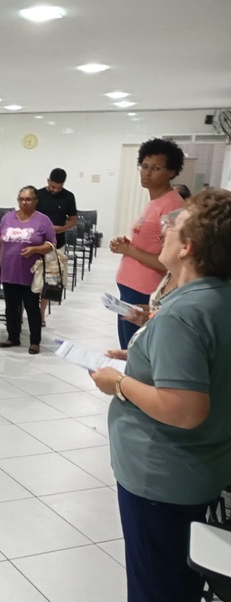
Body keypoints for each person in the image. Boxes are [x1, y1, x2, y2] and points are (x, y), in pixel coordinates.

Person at [91, 189, 231, 602]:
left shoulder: (184, 314)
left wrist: (118, 383)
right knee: (176, 578)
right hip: (200, 467)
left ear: (188, 247)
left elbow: (184, 409)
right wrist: (142, 354)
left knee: (157, 586)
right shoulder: (217, 296)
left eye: (174, 226)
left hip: (163, 477)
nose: (163, 231)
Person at [110, 138, 184, 349]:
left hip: (145, 288)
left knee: (135, 350)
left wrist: (129, 250)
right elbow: (152, 242)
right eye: (144, 166)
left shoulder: (172, 205)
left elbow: (168, 261)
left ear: (171, 172)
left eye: (156, 168)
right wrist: (127, 245)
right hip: (131, 284)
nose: (147, 173)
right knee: (127, 347)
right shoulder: (155, 201)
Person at [0, 186, 56, 354]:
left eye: (28, 199)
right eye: (21, 199)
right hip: (9, 270)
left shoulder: (43, 220)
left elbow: (51, 244)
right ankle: (13, 336)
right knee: (11, 306)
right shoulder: (8, 218)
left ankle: (35, 341)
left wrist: (35, 249)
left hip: (30, 272)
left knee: (31, 306)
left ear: (35, 201)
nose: (24, 202)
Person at [35, 168, 78, 324]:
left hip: (56, 245)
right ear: (48, 181)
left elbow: (73, 219)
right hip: (36, 244)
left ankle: (41, 315)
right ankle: (26, 311)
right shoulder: (38, 195)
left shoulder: (68, 197)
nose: (55, 190)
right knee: (31, 280)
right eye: (52, 186)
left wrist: (62, 228)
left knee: (50, 280)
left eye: (59, 188)